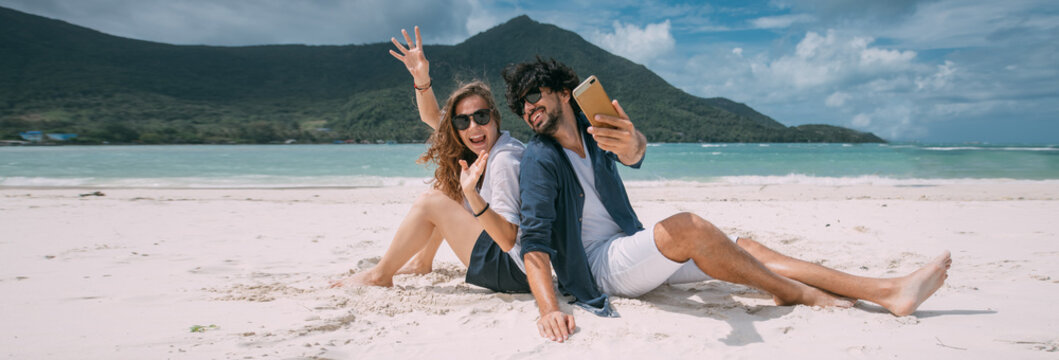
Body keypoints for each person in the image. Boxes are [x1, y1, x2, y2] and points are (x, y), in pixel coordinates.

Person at [501, 57, 952, 343]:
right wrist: (549, 310)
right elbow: (535, 242)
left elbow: (636, 153)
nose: (527, 108)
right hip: (601, 267)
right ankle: (793, 292)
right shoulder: (541, 158)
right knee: (690, 228)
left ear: (564, 91)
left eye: (533, 95)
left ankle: (888, 291)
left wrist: (633, 142)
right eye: (520, 105)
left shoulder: (598, 131)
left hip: (632, 249)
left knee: (747, 247)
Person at [331, 27, 529, 293]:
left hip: (513, 270)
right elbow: (432, 117)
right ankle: (422, 261)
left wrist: (471, 200)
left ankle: (380, 275)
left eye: (481, 117)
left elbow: (509, 237)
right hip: (510, 264)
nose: (473, 127)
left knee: (431, 203)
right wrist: (421, 79)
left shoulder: (505, 159)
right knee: (445, 191)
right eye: (462, 121)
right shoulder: (487, 149)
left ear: (495, 117)